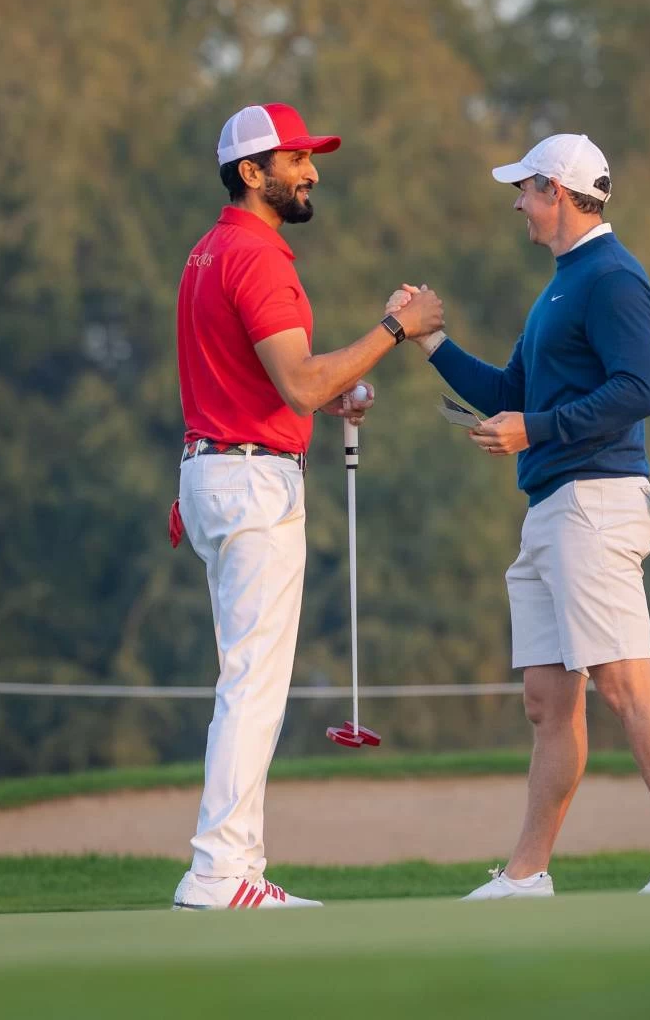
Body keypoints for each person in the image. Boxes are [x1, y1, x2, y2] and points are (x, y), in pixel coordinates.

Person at [389, 133, 650, 897]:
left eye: (524, 190)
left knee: (625, 684)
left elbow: (638, 389)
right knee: (547, 703)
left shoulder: (612, 277)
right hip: (550, 509)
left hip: (595, 504)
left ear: (555, 191)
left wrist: (533, 430)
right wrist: (427, 337)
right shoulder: (561, 285)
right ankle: (526, 874)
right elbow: (510, 391)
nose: (517, 204)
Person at [171, 102, 443, 912]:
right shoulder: (257, 256)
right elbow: (299, 382)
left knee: (245, 679)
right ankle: (220, 871)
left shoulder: (208, 250)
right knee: (253, 685)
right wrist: (395, 328)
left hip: (216, 470)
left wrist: (331, 393)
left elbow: (261, 379)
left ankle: (236, 870)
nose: (311, 172)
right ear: (251, 172)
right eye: (294, 159)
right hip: (251, 482)